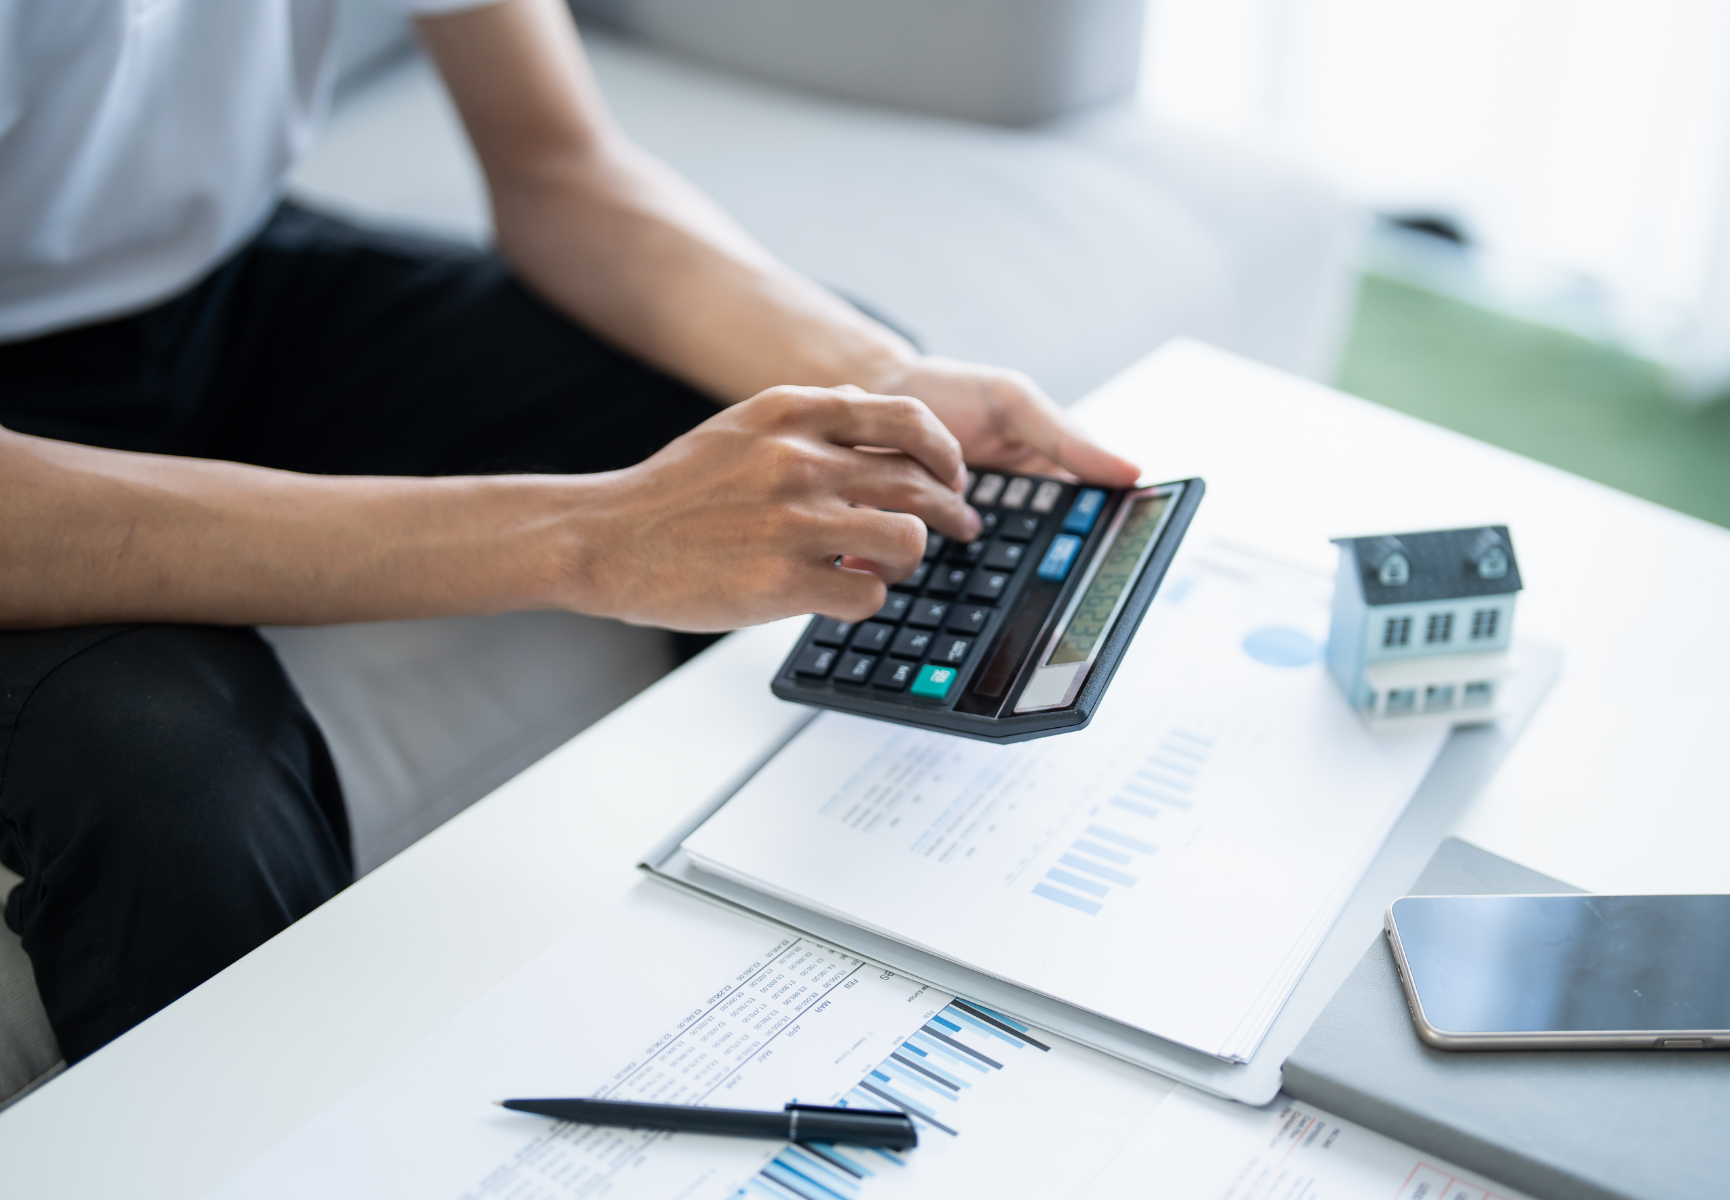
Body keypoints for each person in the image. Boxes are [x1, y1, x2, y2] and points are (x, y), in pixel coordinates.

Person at [0, 0, 1139, 1065]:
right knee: (176, 785)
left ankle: (857, 957)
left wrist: (877, 376)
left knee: (831, 449)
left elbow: (560, 164)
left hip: (221, 278)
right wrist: (591, 536)